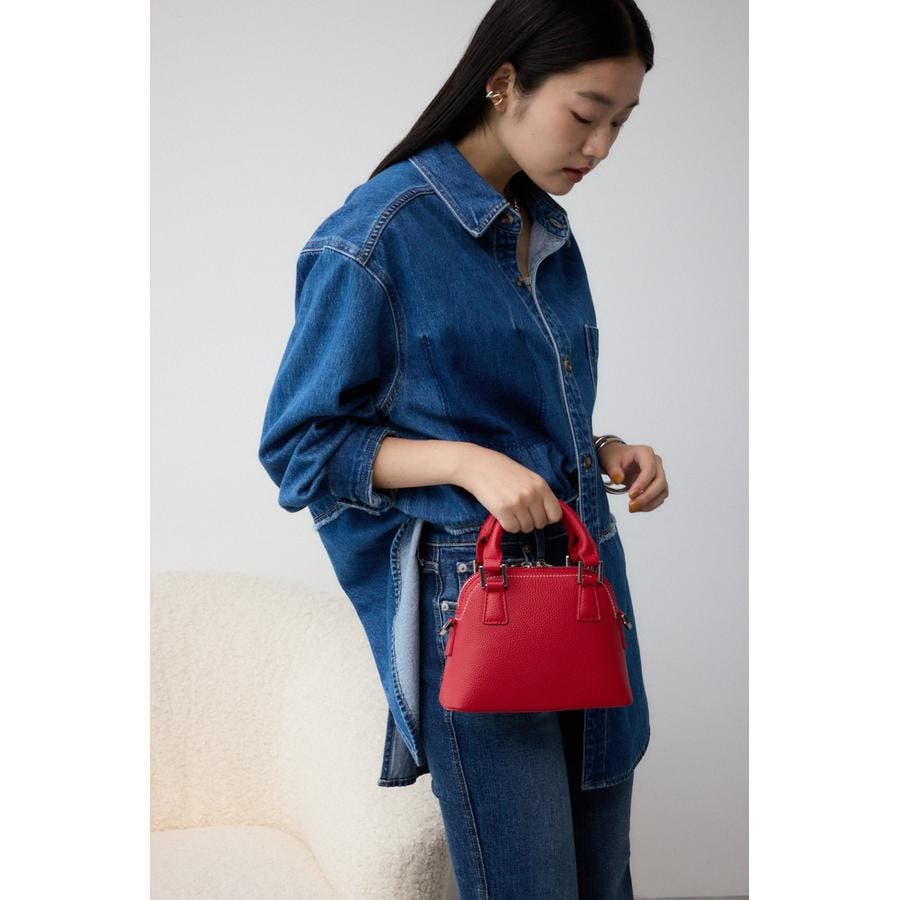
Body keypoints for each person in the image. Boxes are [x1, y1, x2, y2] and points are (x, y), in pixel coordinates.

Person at [258, 1, 669, 896]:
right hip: (483, 613)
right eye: (586, 113)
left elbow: (522, 410)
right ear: (504, 83)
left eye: (621, 123)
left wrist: (605, 446)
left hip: (589, 591)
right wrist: (464, 463)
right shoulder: (376, 236)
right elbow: (300, 447)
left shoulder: (544, 227)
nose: (600, 147)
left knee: (605, 881)